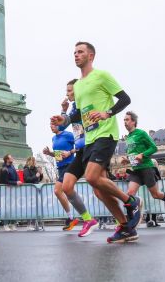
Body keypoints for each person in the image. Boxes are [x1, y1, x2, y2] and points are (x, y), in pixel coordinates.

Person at [51, 42, 140, 243]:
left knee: (92, 177)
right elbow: (78, 115)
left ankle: (131, 201)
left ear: (91, 55)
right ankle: (126, 227)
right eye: (74, 52)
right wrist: (63, 120)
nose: (76, 55)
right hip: (89, 139)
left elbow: (125, 99)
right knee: (96, 189)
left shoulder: (102, 76)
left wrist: (107, 112)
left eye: (80, 52)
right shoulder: (79, 85)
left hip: (106, 134)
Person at [122, 111, 165, 224]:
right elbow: (132, 153)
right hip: (135, 170)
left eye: (127, 120)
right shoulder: (128, 137)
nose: (125, 122)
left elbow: (153, 148)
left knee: (156, 194)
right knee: (129, 194)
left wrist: (143, 155)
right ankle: (131, 222)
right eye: (124, 120)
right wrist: (127, 159)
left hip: (146, 168)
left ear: (133, 122)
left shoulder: (141, 133)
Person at [58, 79, 99, 237]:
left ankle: (130, 202)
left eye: (69, 91)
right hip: (81, 151)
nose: (67, 94)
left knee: (100, 189)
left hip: (92, 148)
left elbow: (89, 125)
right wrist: (63, 110)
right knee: (66, 186)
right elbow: (62, 126)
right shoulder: (74, 107)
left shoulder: (84, 104)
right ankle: (88, 219)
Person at [43, 126, 77, 231]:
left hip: (70, 165)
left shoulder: (68, 135)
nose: (51, 127)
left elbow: (80, 146)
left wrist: (69, 152)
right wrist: (49, 153)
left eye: (53, 124)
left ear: (59, 124)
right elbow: (58, 155)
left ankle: (72, 218)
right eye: (50, 125)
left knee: (57, 190)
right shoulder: (54, 139)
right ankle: (72, 218)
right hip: (60, 167)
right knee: (67, 191)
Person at [0, 154, 21, 231]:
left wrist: (17, 181)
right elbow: (5, 181)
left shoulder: (12, 167)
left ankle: (13, 224)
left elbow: (16, 175)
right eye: (11, 157)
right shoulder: (4, 168)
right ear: (7, 159)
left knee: (14, 207)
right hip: (7, 190)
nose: (12, 158)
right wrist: (15, 183)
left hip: (13, 190)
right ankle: (5, 224)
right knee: (6, 208)